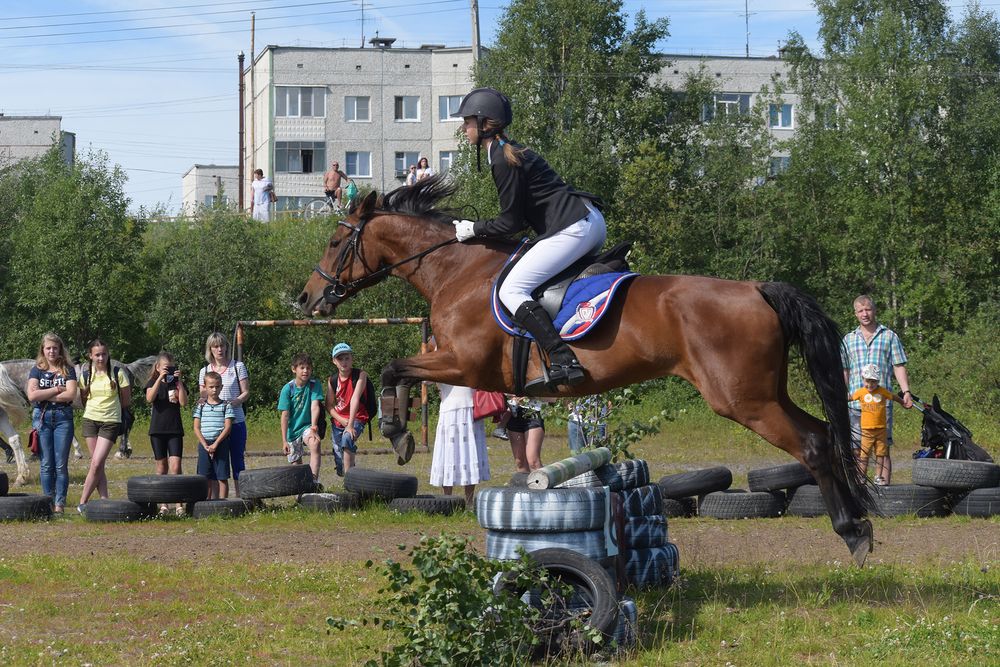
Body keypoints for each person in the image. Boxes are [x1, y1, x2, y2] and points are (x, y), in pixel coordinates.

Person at [450, 87, 606, 390]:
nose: (464, 127)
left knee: (511, 288)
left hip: (573, 226)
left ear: (484, 123)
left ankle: (564, 358)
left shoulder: (502, 158)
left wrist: (474, 228)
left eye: (468, 121)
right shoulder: (507, 148)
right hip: (584, 220)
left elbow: (511, 222)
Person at [841, 294, 913, 484]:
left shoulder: (889, 336)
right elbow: (845, 370)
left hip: (882, 406)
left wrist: (906, 392)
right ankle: (860, 487)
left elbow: (899, 366)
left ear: (874, 310)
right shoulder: (849, 339)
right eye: (861, 311)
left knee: (883, 448)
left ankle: (884, 487)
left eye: (868, 309)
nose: (865, 314)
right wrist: (841, 394)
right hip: (856, 406)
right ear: (855, 314)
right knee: (858, 448)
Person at [427, 337, 490, 506]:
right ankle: (448, 501)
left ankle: (469, 502)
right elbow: (426, 379)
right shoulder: (437, 351)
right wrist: (428, 354)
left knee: (470, 455)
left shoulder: (469, 343)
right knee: (448, 455)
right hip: (449, 408)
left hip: (470, 407)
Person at [25, 332, 78, 514]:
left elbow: (71, 394)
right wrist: (56, 389)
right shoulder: (37, 369)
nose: (52, 351)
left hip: (63, 418)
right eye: (48, 348)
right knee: (46, 463)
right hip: (42, 418)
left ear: (60, 349)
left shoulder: (68, 369)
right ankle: (48, 502)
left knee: (61, 464)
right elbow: (32, 396)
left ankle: (59, 505)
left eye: (55, 348)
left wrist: (44, 392)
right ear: (43, 350)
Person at [77, 339, 131, 511]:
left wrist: (114, 413)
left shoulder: (118, 373)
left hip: (110, 421)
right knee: (97, 464)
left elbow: (126, 400)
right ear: (90, 356)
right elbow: (84, 398)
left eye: (104, 354)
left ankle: (82, 502)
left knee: (96, 463)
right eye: (97, 355)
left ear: (108, 355)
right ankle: (104, 499)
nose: (101, 358)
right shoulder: (85, 375)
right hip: (90, 420)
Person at [198, 332, 250, 497]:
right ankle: (213, 500)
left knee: (237, 461)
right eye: (215, 346)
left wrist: (233, 402)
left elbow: (246, 392)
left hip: (235, 422)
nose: (219, 349)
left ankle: (242, 497)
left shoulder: (238, 366)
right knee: (214, 464)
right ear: (210, 349)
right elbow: (202, 395)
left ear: (227, 346)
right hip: (213, 425)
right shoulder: (204, 370)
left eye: (222, 345)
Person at [146, 352, 189, 516]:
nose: (168, 371)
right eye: (165, 368)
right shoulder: (152, 382)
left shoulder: (176, 383)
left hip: (175, 429)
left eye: (171, 368)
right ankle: (163, 504)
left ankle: (179, 504)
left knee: (176, 466)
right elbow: (149, 398)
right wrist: (159, 378)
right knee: (161, 467)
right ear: (157, 368)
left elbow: (184, 403)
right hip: (157, 430)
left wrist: (179, 382)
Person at [851, 364, 907, 486]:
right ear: (862, 379)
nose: (870, 385)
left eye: (873, 382)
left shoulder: (882, 391)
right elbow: (850, 398)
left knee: (880, 454)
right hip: (866, 431)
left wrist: (903, 402)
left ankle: (878, 476)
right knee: (863, 455)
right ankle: (861, 477)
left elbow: (893, 397)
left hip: (881, 430)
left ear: (878, 381)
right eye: (867, 381)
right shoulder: (860, 392)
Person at [278, 353, 324, 490]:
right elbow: (285, 415)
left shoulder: (314, 385)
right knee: (296, 465)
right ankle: (301, 491)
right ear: (294, 369)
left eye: (308, 368)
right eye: (302, 368)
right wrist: (284, 440)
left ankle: (313, 481)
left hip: (307, 426)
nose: (305, 371)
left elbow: (315, 406)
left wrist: (314, 427)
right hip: (292, 430)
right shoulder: (288, 389)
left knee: (315, 443)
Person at [325, 342, 371, 477]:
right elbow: (329, 405)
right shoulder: (332, 380)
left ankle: (349, 482)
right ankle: (347, 470)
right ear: (334, 361)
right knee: (340, 459)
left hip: (356, 417)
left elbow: (355, 398)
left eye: (347, 358)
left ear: (352, 359)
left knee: (347, 439)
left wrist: (350, 424)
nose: (344, 362)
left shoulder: (360, 375)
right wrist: (340, 419)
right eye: (340, 359)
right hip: (339, 420)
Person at [194, 371, 234, 500]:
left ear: (221, 387)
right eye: (211, 387)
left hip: (221, 443)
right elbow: (196, 427)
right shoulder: (200, 406)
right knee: (205, 477)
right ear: (205, 387)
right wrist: (205, 444)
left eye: (217, 386)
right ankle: (206, 503)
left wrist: (216, 444)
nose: (214, 390)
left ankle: (223, 503)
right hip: (204, 443)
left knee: (222, 476)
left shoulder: (226, 405)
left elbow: (228, 427)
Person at [506, 395, 545, 473]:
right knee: (520, 462)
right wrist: (511, 395)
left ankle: (541, 483)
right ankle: (523, 484)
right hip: (513, 412)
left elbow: (552, 398)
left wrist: (528, 396)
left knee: (533, 461)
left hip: (533, 411)